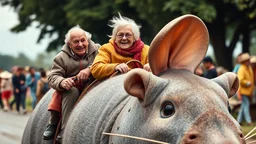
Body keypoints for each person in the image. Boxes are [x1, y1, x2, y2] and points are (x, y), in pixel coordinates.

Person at [43, 25, 100, 142]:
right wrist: (62, 82)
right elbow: (53, 77)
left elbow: (104, 62)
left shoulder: (99, 50)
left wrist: (89, 69)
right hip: (72, 88)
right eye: (76, 42)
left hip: (94, 86)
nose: (80, 44)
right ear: (69, 44)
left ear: (88, 40)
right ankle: (63, 127)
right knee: (71, 92)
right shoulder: (60, 58)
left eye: (83, 40)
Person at [91, 14, 150, 80]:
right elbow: (95, 69)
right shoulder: (106, 49)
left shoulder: (147, 50)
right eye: (120, 35)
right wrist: (115, 67)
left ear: (134, 37)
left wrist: (151, 66)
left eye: (128, 35)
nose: (124, 38)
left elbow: (159, 66)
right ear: (115, 38)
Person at [236, 53, 254, 126]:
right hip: (243, 91)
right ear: (244, 61)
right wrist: (247, 83)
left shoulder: (249, 68)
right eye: (248, 60)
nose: (249, 61)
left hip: (248, 91)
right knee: (246, 105)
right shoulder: (241, 69)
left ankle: (239, 121)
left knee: (244, 106)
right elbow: (240, 80)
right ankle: (249, 121)